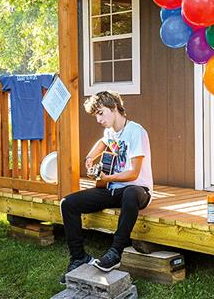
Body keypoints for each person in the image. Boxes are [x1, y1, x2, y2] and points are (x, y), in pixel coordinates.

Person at [59, 91, 153, 283]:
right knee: (68, 203)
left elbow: (134, 173)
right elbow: (103, 141)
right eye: (96, 115)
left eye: (101, 113)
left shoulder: (136, 131)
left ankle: (115, 252)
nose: (98, 119)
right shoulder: (110, 132)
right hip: (112, 189)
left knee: (129, 194)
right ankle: (78, 258)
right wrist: (89, 157)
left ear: (114, 108)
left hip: (138, 190)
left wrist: (106, 177)